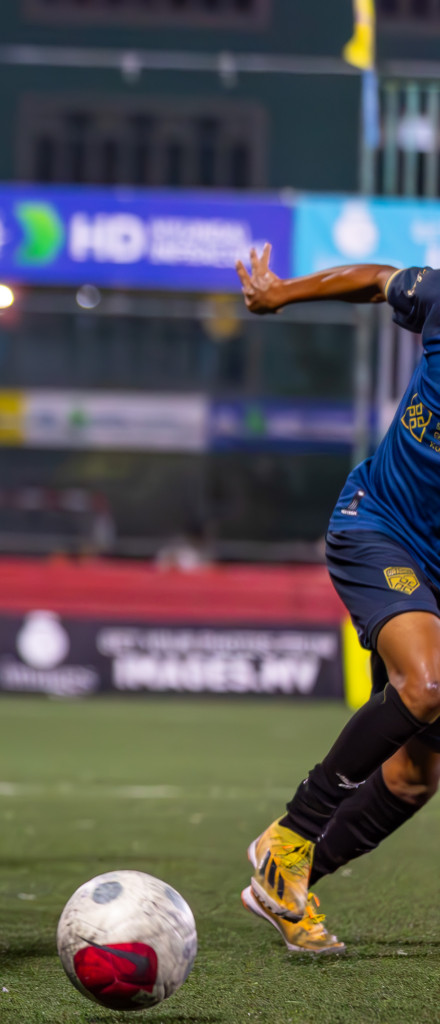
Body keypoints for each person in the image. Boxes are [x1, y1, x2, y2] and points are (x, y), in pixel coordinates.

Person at [235, 244, 440, 954]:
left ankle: (285, 879)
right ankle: (287, 838)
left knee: (417, 776)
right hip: (377, 524)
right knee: (426, 682)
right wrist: (281, 294)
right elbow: (380, 281)